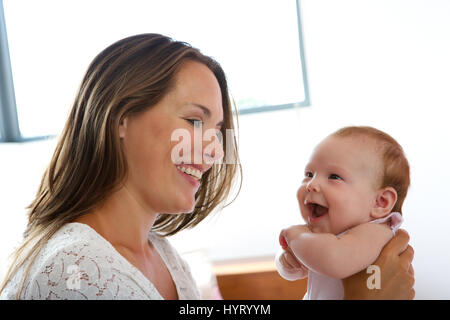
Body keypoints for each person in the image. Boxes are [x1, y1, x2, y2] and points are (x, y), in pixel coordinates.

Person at [0, 34, 414, 300]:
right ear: (119, 118)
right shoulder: (76, 271)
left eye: (216, 132)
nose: (214, 152)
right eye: (195, 122)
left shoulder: (162, 255)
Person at [276, 126, 415, 299]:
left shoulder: (376, 232)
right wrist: (287, 262)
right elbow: (295, 271)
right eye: (309, 173)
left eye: (334, 177)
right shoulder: (322, 233)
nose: (311, 184)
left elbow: (335, 260)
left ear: (380, 202)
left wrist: (296, 237)